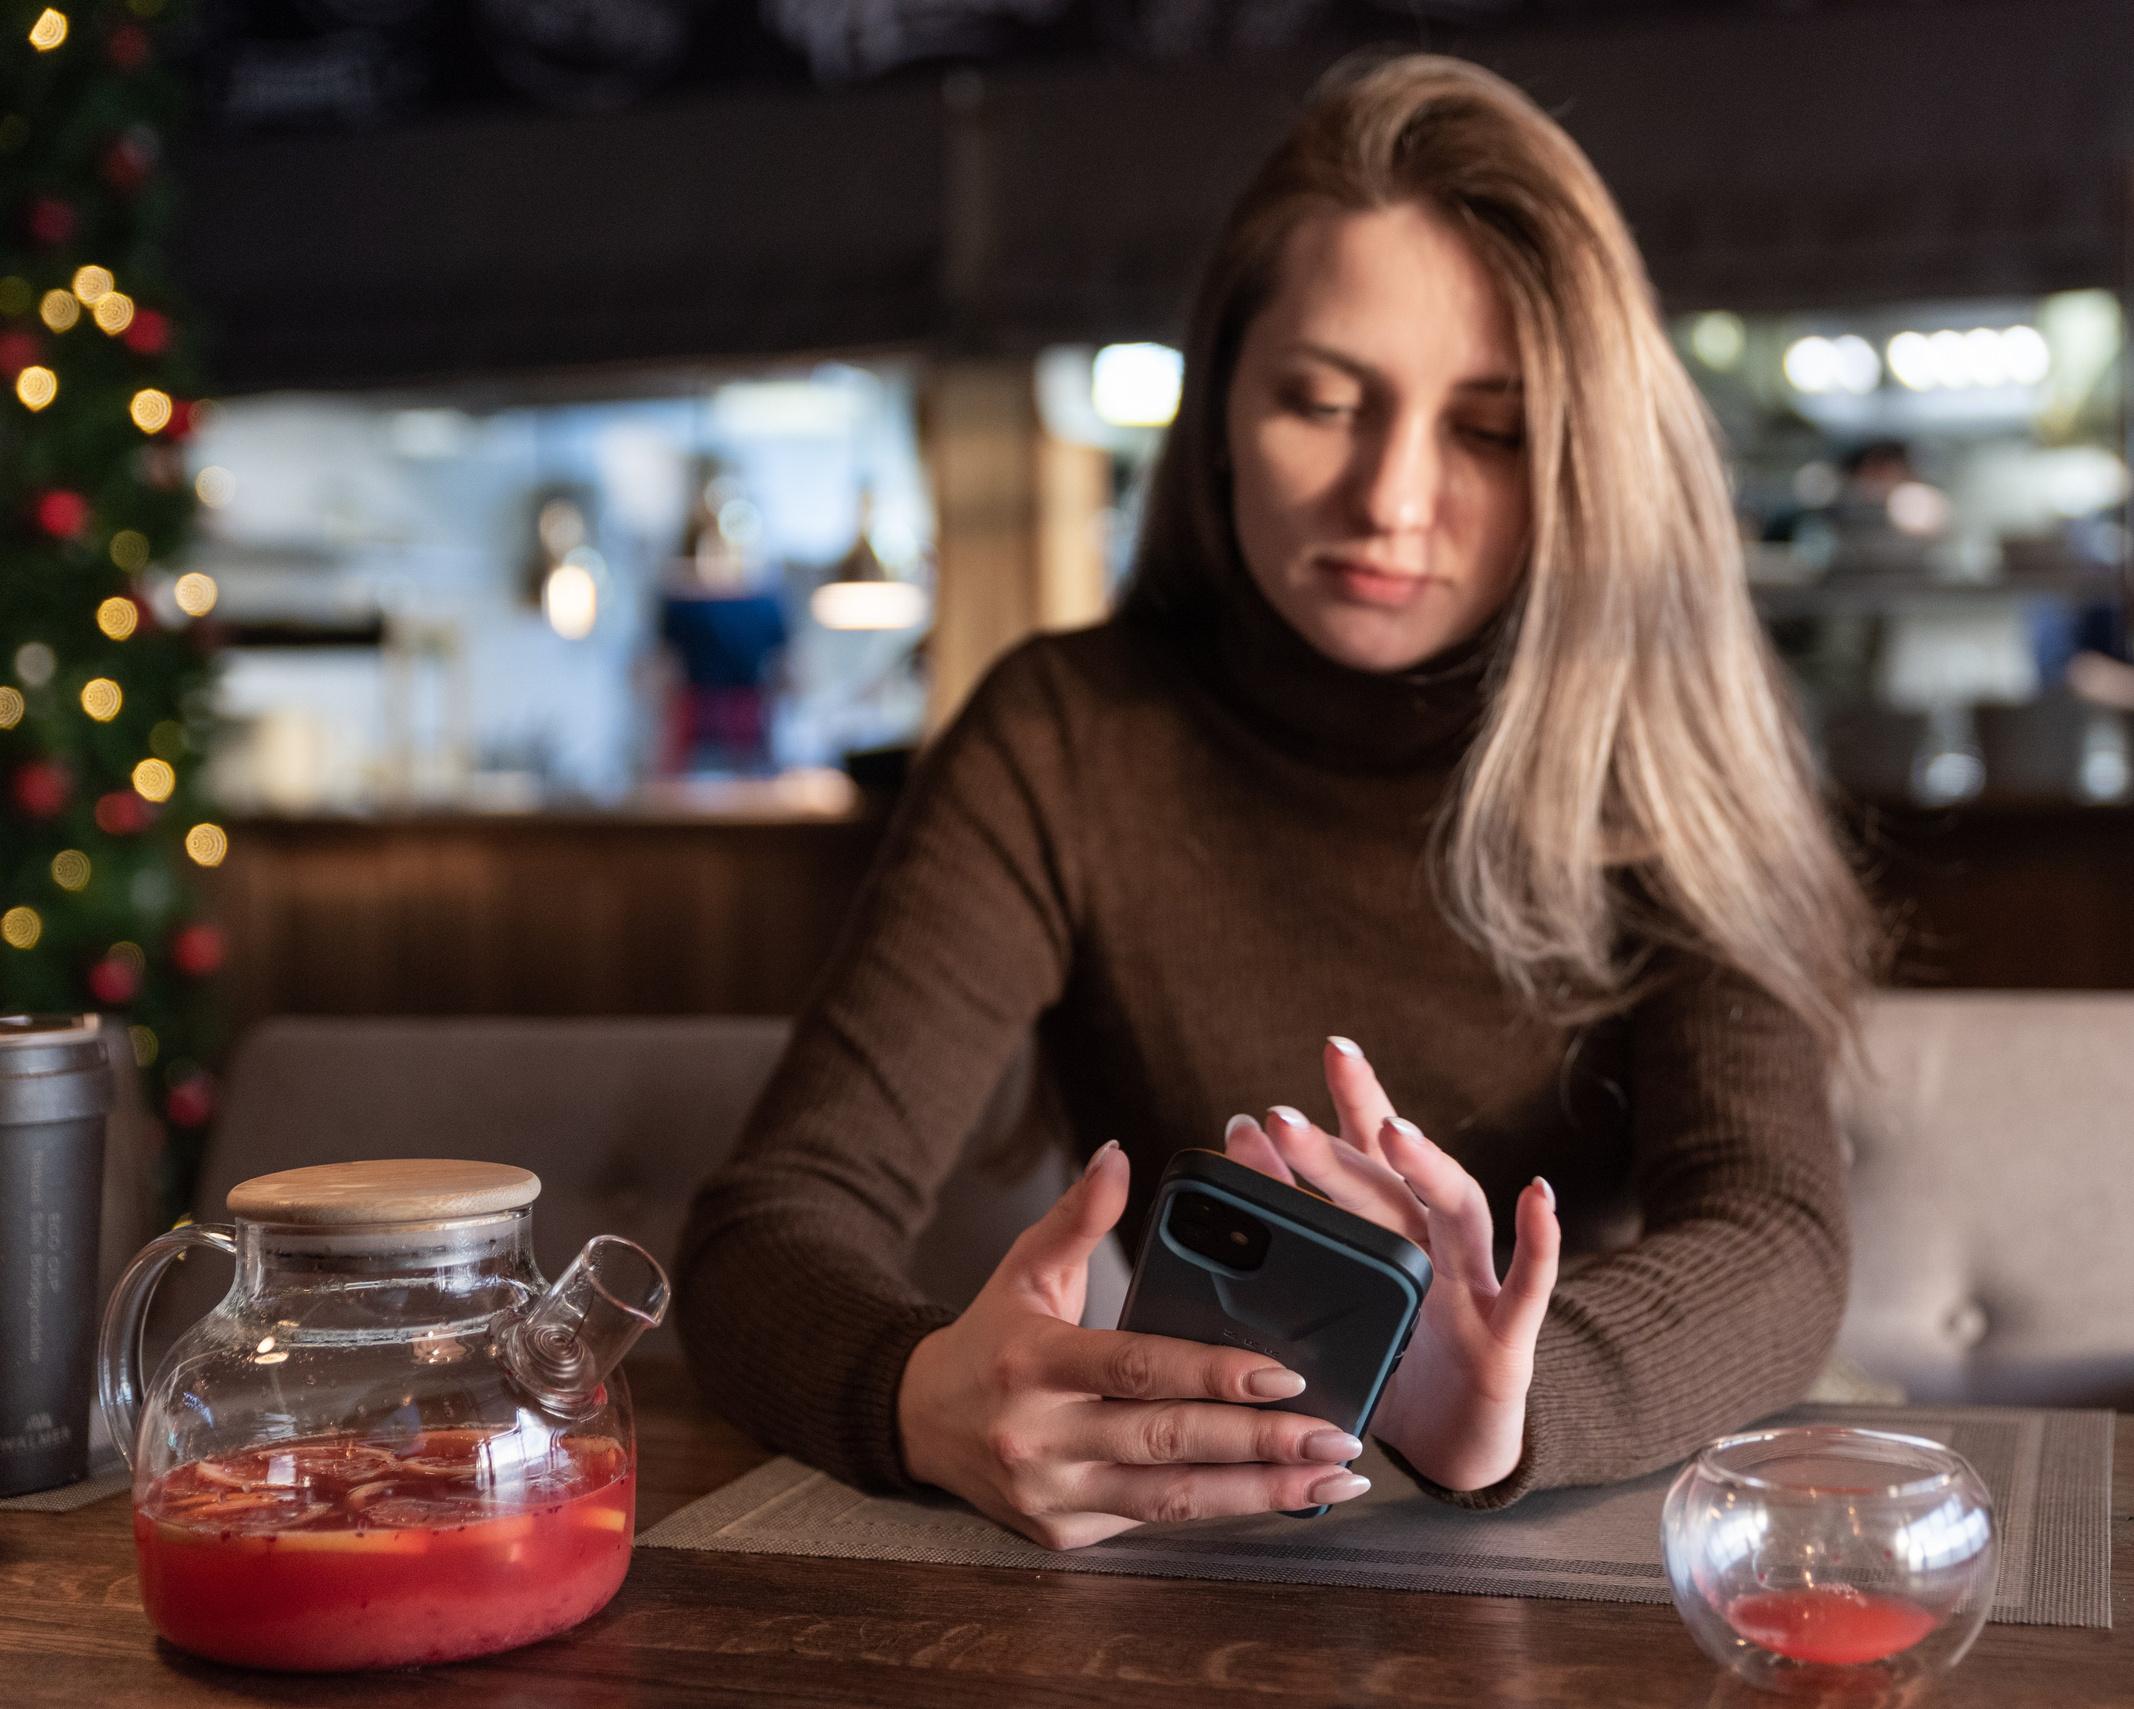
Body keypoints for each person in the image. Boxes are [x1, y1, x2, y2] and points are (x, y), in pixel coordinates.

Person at [676, 53, 1878, 1551]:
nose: (1388, 496)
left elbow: (1772, 1235)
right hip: (1192, 1555)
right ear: (1223, 403)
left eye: (1488, 428)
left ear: (1582, 457)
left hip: (1563, 1539)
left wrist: (1498, 1390)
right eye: (1323, 398)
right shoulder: (1066, 734)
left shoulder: (1661, 744)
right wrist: (920, 1391)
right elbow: (767, 1222)